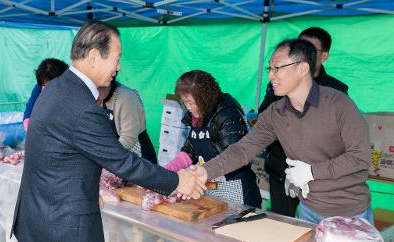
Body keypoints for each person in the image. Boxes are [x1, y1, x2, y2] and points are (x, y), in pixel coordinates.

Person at [11, 21, 205, 242]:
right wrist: (178, 181)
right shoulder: (80, 105)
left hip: (42, 221)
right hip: (64, 233)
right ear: (94, 56)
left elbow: (62, 158)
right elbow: (123, 162)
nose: (118, 67)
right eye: (117, 58)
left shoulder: (57, 88)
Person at [194, 39, 372, 225]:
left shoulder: (339, 104)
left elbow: (359, 157)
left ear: (302, 69)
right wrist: (204, 171)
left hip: (350, 213)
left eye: (277, 68)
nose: (271, 75)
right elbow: (242, 149)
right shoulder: (275, 113)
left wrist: (311, 172)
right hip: (308, 210)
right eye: (269, 69)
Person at [257, 27, 349, 217]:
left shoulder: (336, 90)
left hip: (319, 176)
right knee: (281, 225)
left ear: (324, 56)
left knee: (320, 229)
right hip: (282, 169)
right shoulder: (279, 80)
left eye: (310, 49)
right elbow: (264, 114)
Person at [164, 70, 262, 208]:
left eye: (190, 102)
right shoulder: (198, 114)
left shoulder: (227, 114)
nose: (188, 107)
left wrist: (198, 174)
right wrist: (167, 170)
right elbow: (189, 150)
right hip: (211, 185)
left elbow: (234, 155)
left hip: (235, 188)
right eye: (184, 102)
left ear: (203, 97)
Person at [98, 77, 157, 164]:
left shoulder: (126, 97)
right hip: (116, 153)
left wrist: (107, 157)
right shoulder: (99, 98)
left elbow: (128, 138)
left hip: (138, 158)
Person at [23, 58, 68, 131]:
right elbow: (28, 112)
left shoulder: (70, 91)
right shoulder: (38, 88)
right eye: (44, 84)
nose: (47, 88)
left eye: (51, 84)